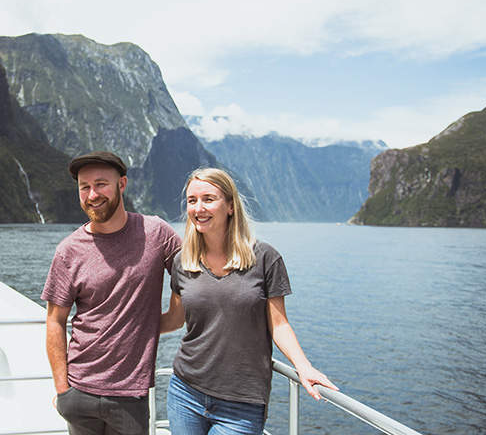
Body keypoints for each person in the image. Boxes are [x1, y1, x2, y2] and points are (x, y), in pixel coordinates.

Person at [160, 168, 337, 435]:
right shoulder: (183, 261)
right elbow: (174, 318)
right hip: (185, 392)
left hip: (241, 403)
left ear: (230, 206)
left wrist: (304, 366)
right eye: (192, 200)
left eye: (208, 198)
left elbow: (279, 325)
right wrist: (126, 324)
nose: (198, 208)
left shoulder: (265, 258)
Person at [41, 151, 181, 435]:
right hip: (78, 393)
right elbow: (55, 321)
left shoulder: (157, 234)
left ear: (122, 184)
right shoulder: (68, 251)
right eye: (84, 187)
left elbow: (194, 269)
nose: (92, 194)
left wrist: (167, 319)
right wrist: (62, 389)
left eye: (101, 184)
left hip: (130, 395)